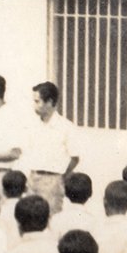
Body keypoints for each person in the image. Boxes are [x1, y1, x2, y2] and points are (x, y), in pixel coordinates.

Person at [26, 82, 78, 215]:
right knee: (31, 217)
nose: (34, 105)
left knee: (50, 217)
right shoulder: (33, 126)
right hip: (33, 179)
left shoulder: (65, 127)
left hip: (52, 181)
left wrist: (60, 177)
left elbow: (75, 157)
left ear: (49, 102)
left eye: (37, 101)